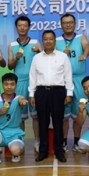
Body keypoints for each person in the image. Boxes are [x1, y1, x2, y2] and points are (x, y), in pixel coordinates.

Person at [28, 30, 73, 162]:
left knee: (58, 122)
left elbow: (68, 76)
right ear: (43, 41)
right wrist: (31, 94)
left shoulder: (63, 57)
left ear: (55, 41)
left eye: (51, 39)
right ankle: (43, 151)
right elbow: (32, 77)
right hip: (41, 92)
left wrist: (69, 93)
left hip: (58, 92)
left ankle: (59, 151)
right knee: (43, 122)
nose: (48, 41)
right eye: (45, 39)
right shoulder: (37, 58)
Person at [56, 13, 89, 151]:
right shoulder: (57, 41)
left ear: (75, 24)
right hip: (62, 81)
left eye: (70, 22)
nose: (68, 25)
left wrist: (85, 54)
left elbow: (87, 46)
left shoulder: (81, 38)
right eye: (65, 23)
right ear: (61, 25)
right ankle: (64, 142)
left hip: (79, 81)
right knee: (64, 116)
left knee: (79, 113)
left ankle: (76, 142)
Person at [7, 15, 41, 143]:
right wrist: (16, 58)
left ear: (29, 27)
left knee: (36, 115)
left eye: (25, 25)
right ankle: (20, 141)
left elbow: (44, 60)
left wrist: (39, 52)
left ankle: (37, 141)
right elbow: (10, 66)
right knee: (20, 116)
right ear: (16, 27)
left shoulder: (35, 43)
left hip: (34, 82)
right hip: (19, 83)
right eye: (20, 25)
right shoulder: (12, 45)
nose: (22, 28)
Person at [0, 72, 28, 167]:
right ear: (2, 85)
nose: (9, 87)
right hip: (0, 133)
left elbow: (22, 99)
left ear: (16, 85)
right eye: (6, 84)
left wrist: (23, 101)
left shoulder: (18, 98)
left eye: (12, 84)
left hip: (15, 133)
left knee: (16, 151)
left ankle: (16, 152)